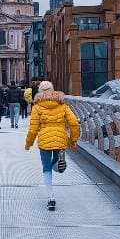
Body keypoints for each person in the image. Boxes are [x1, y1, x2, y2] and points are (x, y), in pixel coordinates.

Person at [24, 79, 81, 211]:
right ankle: (59, 163)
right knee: (56, 163)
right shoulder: (63, 105)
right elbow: (74, 124)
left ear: (39, 92)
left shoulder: (37, 107)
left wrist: (28, 144)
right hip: (60, 138)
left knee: (46, 168)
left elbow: (33, 129)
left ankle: (51, 197)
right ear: (52, 90)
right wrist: (73, 140)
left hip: (44, 140)